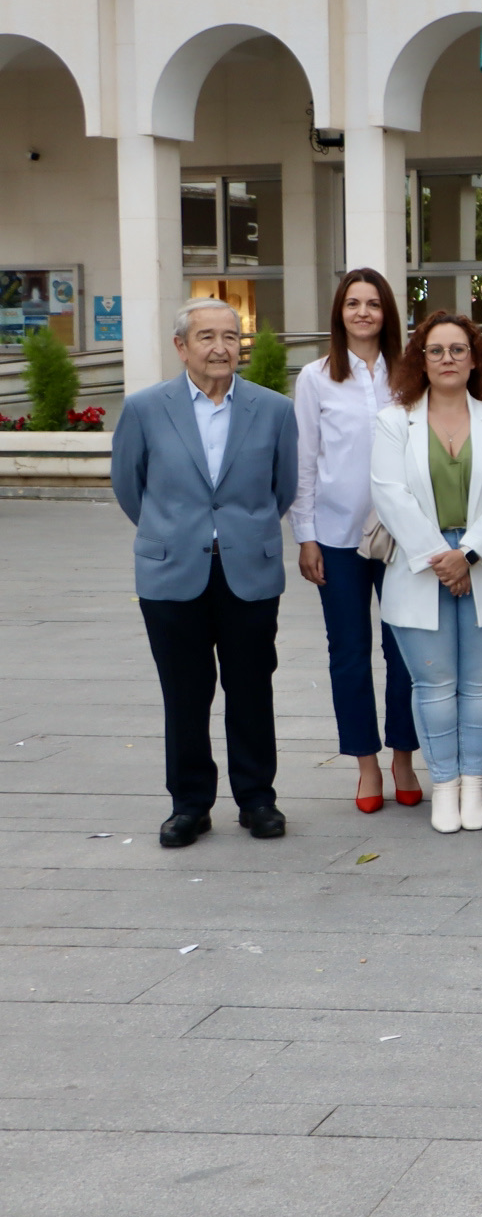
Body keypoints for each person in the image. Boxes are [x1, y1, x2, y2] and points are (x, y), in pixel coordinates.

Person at [113, 299, 300, 848]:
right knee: (185, 692)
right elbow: (131, 486)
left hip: (247, 569)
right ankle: (190, 804)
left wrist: (240, 531)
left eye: (230, 336)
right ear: (182, 346)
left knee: (251, 686)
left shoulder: (273, 410)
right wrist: (174, 532)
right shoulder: (146, 408)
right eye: (206, 337)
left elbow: (282, 487)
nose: (221, 348)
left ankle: (257, 798)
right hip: (173, 573)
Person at [370, 312, 482, 835]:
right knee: (434, 683)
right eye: (436, 350)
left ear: (474, 358)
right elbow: (389, 495)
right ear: (420, 359)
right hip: (422, 562)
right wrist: (443, 556)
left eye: (458, 349)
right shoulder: (394, 420)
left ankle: (474, 785)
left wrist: (471, 554)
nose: (447, 359)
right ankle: (444, 786)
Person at [291, 267, 419, 812]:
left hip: (402, 537)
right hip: (337, 537)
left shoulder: (411, 374)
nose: (363, 312)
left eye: (373, 303)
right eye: (353, 303)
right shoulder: (316, 377)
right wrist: (306, 535)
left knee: (406, 651)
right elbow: (304, 462)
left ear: (387, 312)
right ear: (339, 313)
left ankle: (404, 757)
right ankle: (366, 764)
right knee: (348, 653)